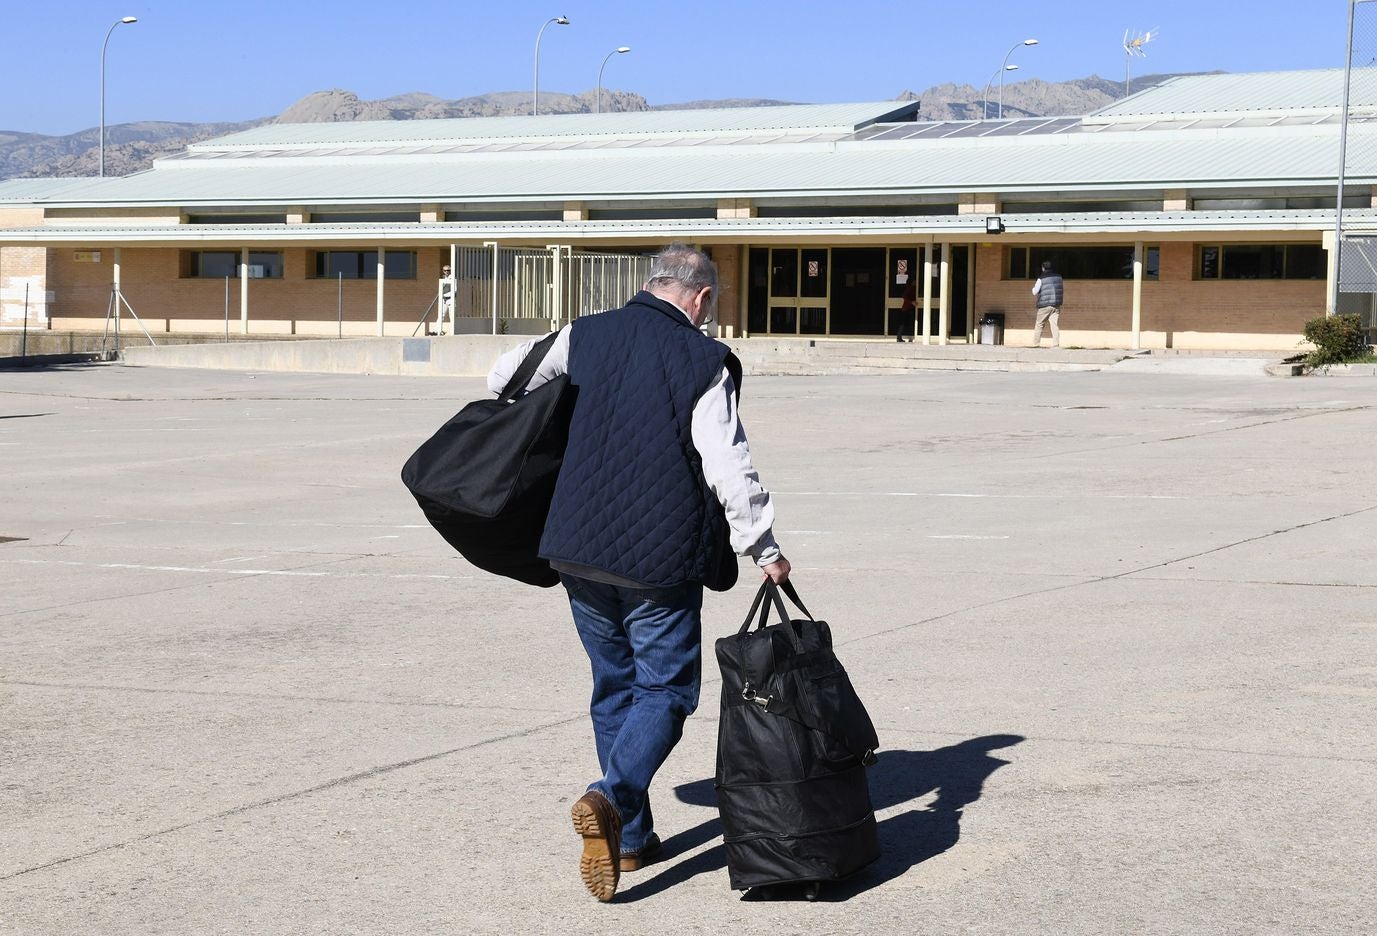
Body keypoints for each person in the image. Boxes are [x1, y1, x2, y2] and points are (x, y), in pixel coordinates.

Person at [486, 243, 790, 902]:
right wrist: (762, 547)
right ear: (702, 298)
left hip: (573, 543)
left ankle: (628, 840)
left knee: (613, 686)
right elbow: (726, 463)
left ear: (650, 284)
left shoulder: (586, 332)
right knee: (667, 691)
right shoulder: (703, 359)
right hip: (658, 558)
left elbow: (503, 377)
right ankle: (610, 797)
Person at [1030, 260, 1063, 348]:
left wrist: (1034, 288)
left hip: (1044, 305)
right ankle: (1056, 344)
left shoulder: (1041, 278)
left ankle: (1036, 344)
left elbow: (1034, 292)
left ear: (1043, 268)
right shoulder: (1059, 277)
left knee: (1039, 324)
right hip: (1056, 304)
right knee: (1054, 325)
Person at [434, 263, 456, 335]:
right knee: (441, 315)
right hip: (443, 300)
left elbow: (454, 290)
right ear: (443, 271)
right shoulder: (443, 278)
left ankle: (453, 332)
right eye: (445, 270)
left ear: (450, 271)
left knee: (451, 316)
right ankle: (438, 331)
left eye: (448, 270)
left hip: (450, 299)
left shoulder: (453, 278)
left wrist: (444, 294)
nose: (446, 272)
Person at [897, 277, 916, 342]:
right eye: (914, 281)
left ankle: (909, 337)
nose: (915, 282)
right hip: (907, 308)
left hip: (908, 308)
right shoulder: (909, 288)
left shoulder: (913, 288)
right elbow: (904, 296)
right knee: (904, 323)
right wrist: (912, 302)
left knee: (907, 323)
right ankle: (899, 337)